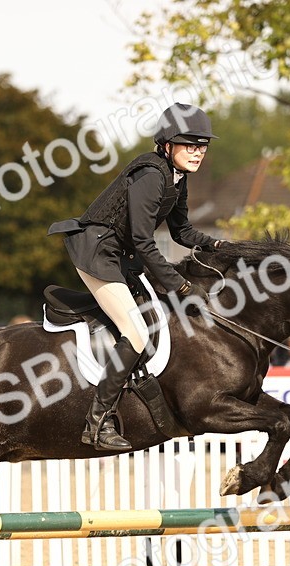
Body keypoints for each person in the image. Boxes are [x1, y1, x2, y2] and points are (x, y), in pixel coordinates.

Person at [49, 102, 225, 451]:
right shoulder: (150, 174)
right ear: (167, 144)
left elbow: (183, 232)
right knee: (135, 330)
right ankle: (97, 423)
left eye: (202, 145)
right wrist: (180, 285)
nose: (198, 152)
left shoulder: (177, 178)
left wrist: (221, 245)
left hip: (122, 256)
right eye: (189, 144)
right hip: (98, 252)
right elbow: (144, 240)